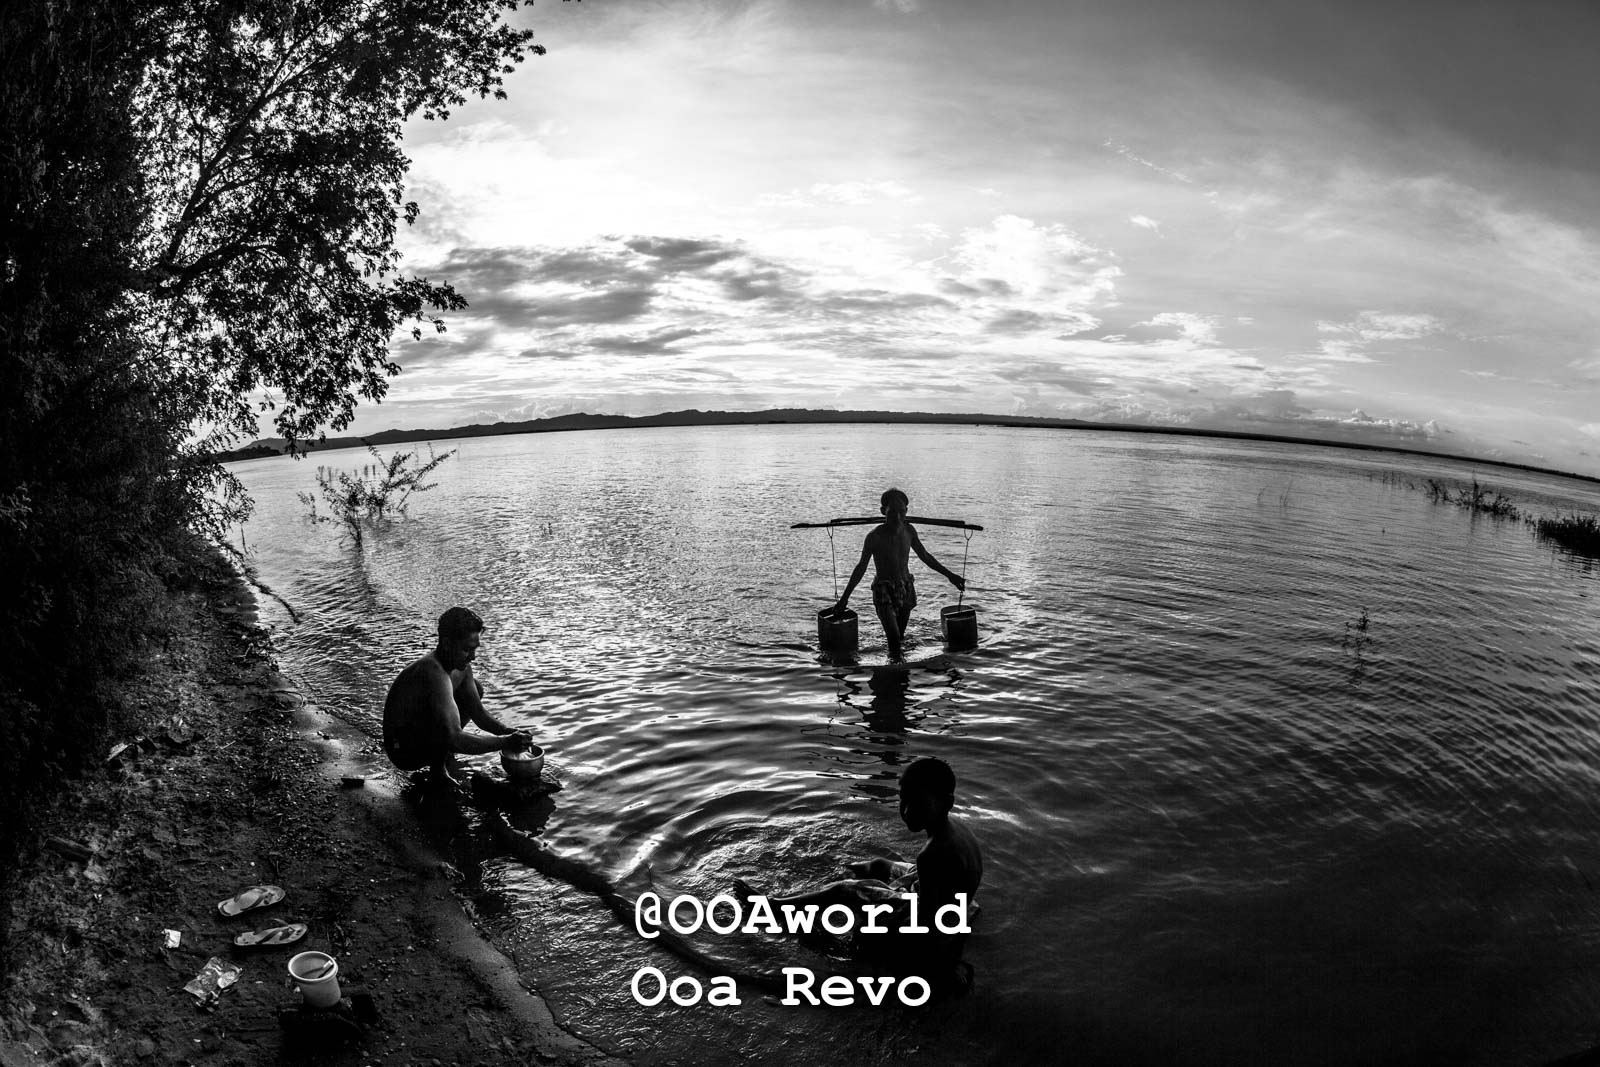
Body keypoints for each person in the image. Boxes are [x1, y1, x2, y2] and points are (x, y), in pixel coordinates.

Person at [735, 757, 983, 990]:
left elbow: (927, 924)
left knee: (848, 890)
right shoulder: (957, 830)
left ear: (947, 802)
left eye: (918, 803)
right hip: (950, 899)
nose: (907, 811)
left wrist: (879, 916)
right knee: (880, 865)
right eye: (903, 800)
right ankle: (847, 887)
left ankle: (774, 906)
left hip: (931, 918)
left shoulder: (932, 855)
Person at [383, 606, 533, 788]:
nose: (473, 657)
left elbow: (478, 713)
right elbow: (455, 737)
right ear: (446, 644)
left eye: (475, 649)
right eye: (467, 650)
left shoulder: (461, 667)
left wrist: (507, 731)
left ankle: (439, 765)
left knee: (475, 689)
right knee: (447, 726)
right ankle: (437, 771)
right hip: (403, 751)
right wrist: (506, 742)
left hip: (422, 734)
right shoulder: (433, 672)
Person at [835, 488, 966, 661]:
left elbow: (925, 556)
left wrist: (950, 575)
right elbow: (861, 568)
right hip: (884, 589)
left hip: (906, 586)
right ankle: (895, 675)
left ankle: (898, 671)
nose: (897, 517)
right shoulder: (874, 537)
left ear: (906, 512)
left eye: (901, 512)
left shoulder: (909, 531)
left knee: (900, 637)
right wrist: (845, 598)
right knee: (894, 640)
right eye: (892, 512)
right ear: (883, 512)